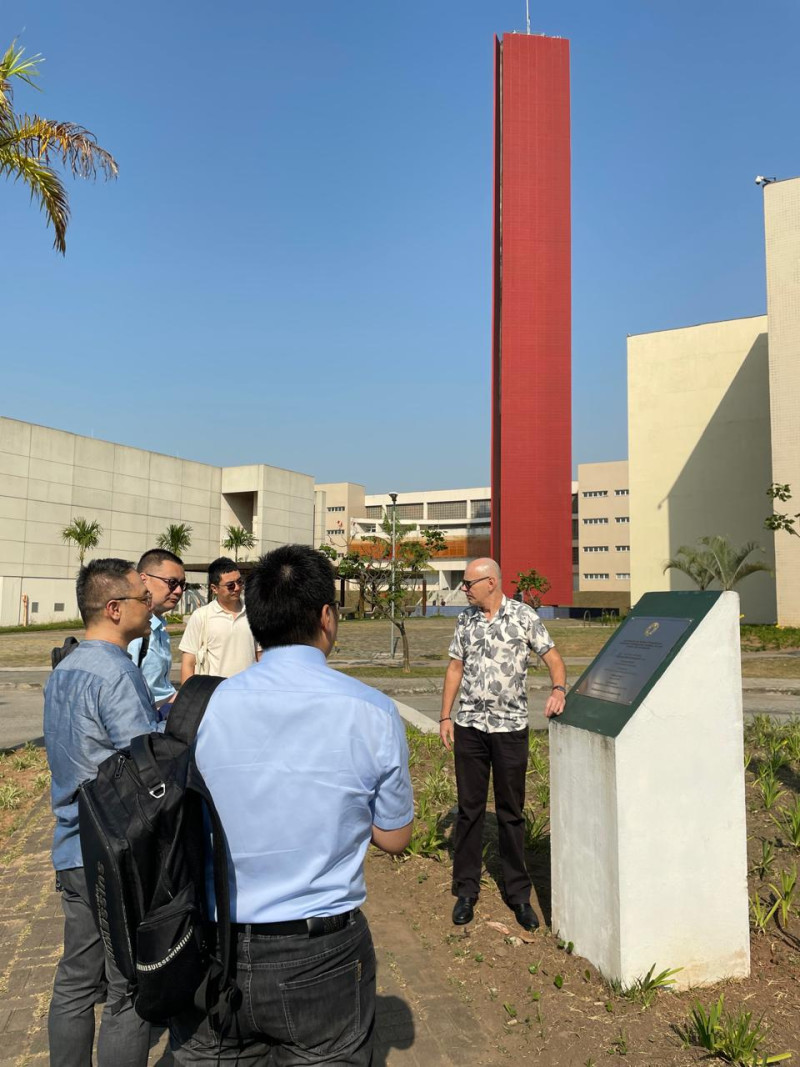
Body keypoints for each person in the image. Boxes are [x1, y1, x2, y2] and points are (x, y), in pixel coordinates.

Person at [169, 544, 414, 1066]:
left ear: (255, 623)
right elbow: (395, 837)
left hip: (211, 948)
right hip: (320, 953)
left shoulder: (201, 709)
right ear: (326, 617)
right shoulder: (371, 710)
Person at [44, 558, 163, 1067]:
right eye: (143, 596)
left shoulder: (65, 668)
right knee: (126, 988)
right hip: (115, 857)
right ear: (114, 609)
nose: (151, 602)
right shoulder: (116, 673)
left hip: (71, 846)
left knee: (74, 980)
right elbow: (146, 771)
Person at [439, 557, 567, 931]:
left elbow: (554, 659)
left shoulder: (524, 617)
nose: (464, 588)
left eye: (468, 583)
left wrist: (558, 689)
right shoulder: (465, 621)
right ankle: (466, 890)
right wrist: (445, 716)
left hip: (510, 729)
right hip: (470, 728)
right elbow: (454, 668)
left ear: (491, 582)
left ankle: (518, 894)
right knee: (469, 809)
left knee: (511, 812)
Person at [179, 556, 258, 681]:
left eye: (240, 582)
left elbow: (260, 655)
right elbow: (188, 663)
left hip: (249, 692)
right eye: (230, 585)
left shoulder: (254, 612)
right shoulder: (201, 616)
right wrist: (188, 698)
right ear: (214, 588)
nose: (237, 588)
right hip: (214, 694)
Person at [128, 548, 186, 712]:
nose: (178, 591)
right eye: (172, 583)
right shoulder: (133, 631)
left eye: (182, 585)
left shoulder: (159, 626)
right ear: (144, 579)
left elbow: (161, 689)